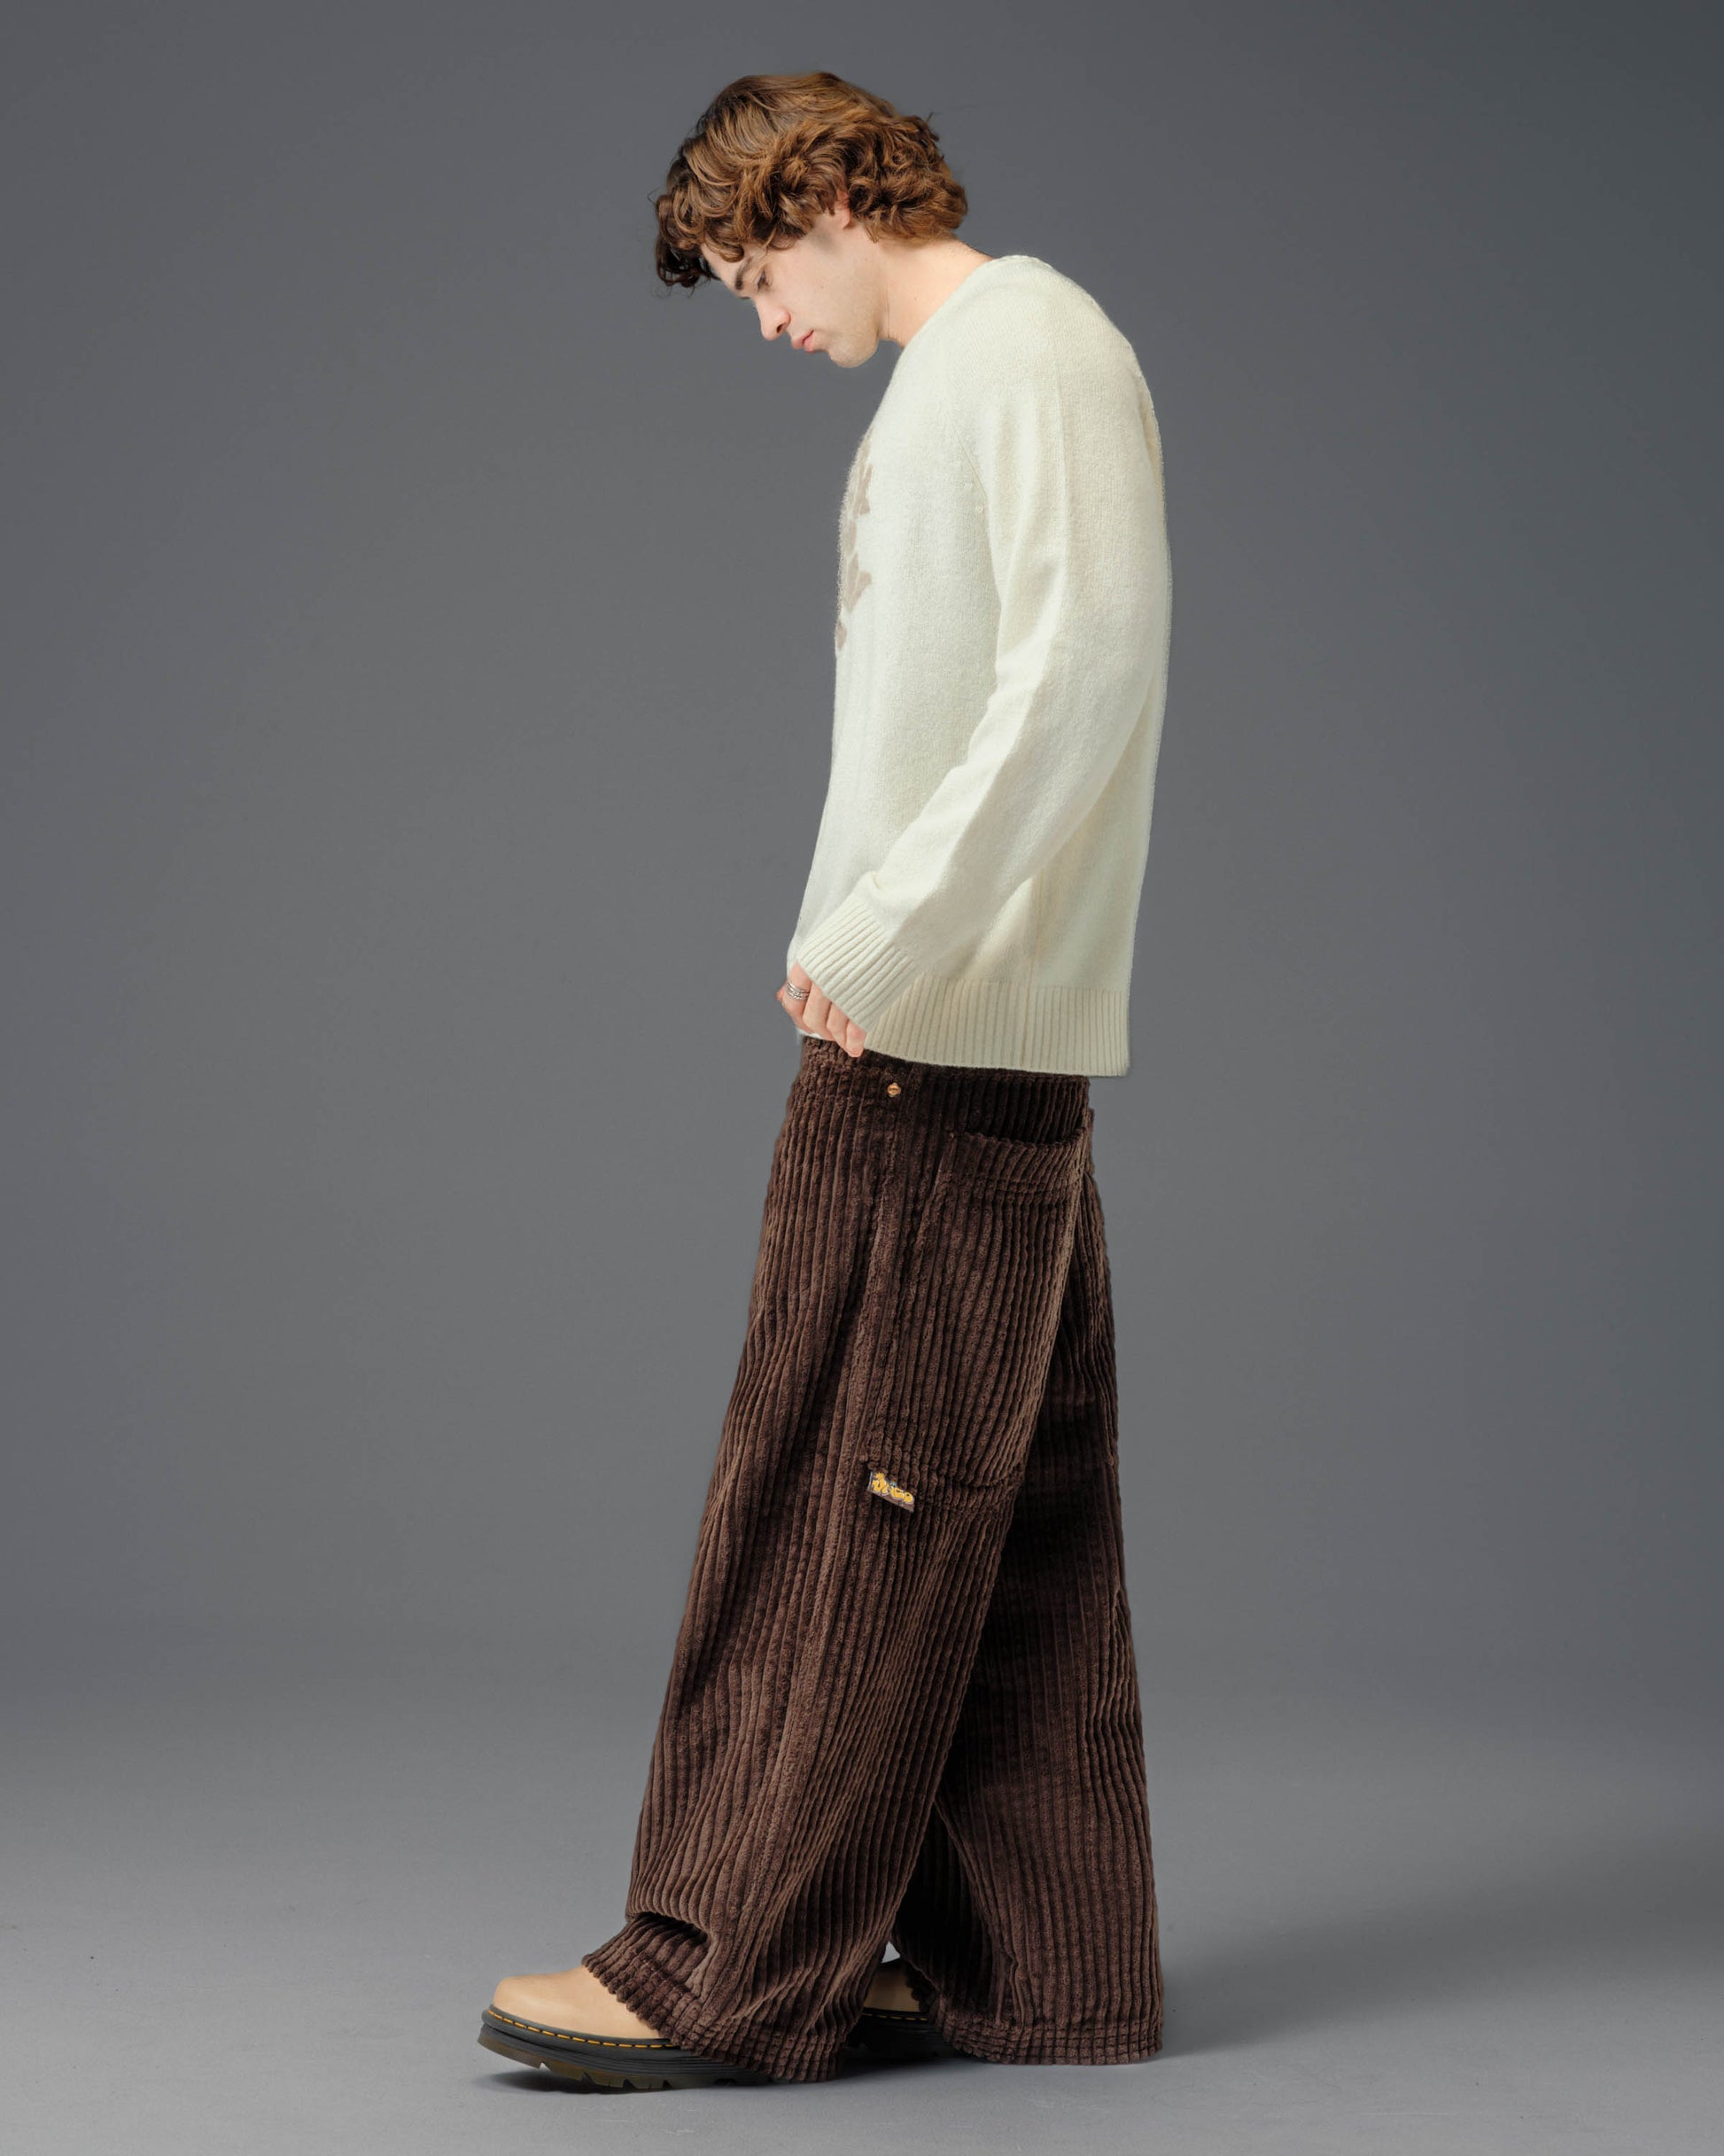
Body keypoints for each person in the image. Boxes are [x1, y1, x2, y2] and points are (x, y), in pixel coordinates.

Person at [479, 68, 1173, 2091]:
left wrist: (878, 939)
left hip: (921, 1035)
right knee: (1003, 1519)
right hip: (969, 1031)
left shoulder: (1025, 345)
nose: (764, 316)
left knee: (827, 1499)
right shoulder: (975, 367)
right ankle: (1040, 1970)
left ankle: (717, 1963)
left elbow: (1084, 669)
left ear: (831, 198)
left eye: (757, 270)